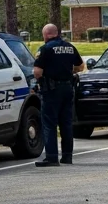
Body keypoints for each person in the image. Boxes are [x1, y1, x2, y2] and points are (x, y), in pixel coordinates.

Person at [33, 23, 84, 166]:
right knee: (66, 123)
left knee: (49, 123)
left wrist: (41, 82)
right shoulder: (69, 47)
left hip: (51, 90)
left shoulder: (46, 49)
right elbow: (80, 66)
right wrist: (68, 73)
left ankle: (52, 157)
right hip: (67, 88)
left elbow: (37, 71)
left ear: (46, 35)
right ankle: (67, 156)